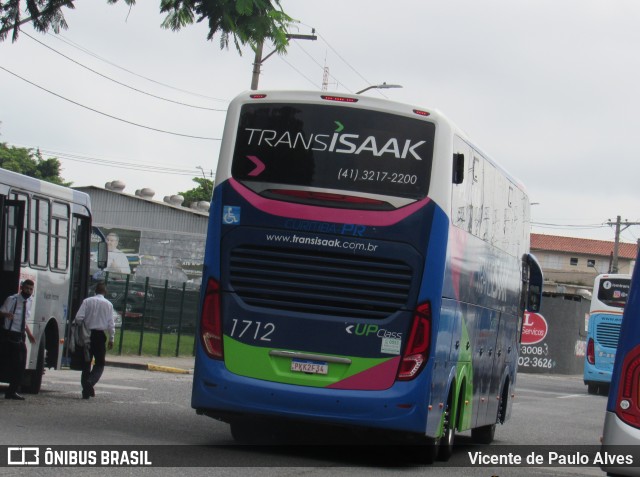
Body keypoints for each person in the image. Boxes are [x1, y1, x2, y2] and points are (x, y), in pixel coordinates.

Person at [74, 282, 115, 399]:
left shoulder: (87, 301)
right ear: (105, 292)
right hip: (99, 335)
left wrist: (83, 327)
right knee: (100, 363)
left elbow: (78, 318)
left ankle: (85, 390)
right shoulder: (109, 305)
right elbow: (111, 324)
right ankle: (90, 382)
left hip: (87, 334)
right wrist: (111, 338)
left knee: (86, 362)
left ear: (95, 291)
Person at [0, 279, 36, 400]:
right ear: (21, 288)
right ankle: (11, 390)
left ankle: (12, 391)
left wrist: (29, 334)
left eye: (31, 289)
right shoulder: (13, 299)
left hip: (20, 335)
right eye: (27, 288)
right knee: (7, 362)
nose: (29, 291)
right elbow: (1, 311)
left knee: (20, 364)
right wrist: (7, 315)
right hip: (9, 334)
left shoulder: (30, 301)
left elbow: (24, 321)